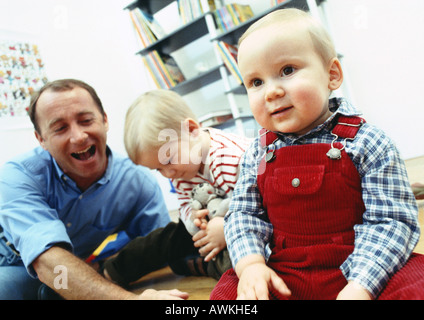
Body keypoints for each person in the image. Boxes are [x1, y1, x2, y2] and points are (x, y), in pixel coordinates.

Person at [210, 8, 424, 300]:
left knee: (418, 283)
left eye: (287, 70)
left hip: (363, 266)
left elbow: (392, 221)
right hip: (286, 273)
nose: (271, 92)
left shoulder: (369, 142)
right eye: (256, 82)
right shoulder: (257, 153)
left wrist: (361, 286)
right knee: (228, 294)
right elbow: (244, 214)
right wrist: (251, 265)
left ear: (332, 75)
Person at [0, 79, 188, 300]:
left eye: (86, 120)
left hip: (69, 271)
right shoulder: (18, 175)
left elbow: (158, 245)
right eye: (60, 128)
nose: (79, 136)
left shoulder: (137, 182)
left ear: (105, 120)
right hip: (13, 265)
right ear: (41, 139)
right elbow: (48, 264)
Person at [102, 89, 251, 287]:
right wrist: (194, 219)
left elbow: (256, 205)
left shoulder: (230, 157)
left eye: (169, 160)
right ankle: (112, 271)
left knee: (241, 264)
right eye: (158, 169)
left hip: (248, 222)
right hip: (211, 225)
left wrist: (227, 227)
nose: (168, 174)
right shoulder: (178, 169)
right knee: (164, 239)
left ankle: (204, 266)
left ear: (191, 130)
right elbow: (185, 205)